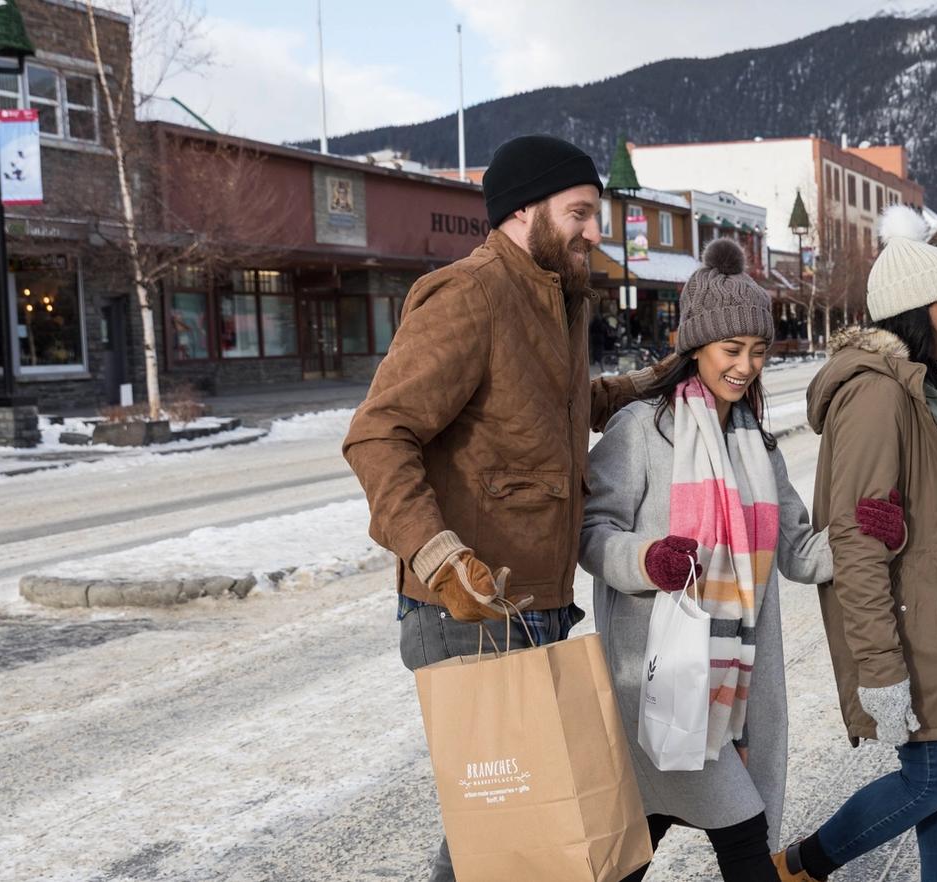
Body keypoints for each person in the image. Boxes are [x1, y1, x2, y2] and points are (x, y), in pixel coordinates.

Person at [342, 133, 671, 882]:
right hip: (466, 611)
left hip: (535, 605)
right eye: (581, 212)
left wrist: (646, 383)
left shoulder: (558, 295)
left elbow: (553, 407)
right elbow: (377, 435)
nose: (596, 231)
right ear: (525, 210)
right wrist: (441, 557)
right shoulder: (472, 295)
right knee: (507, 838)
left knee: (528, 835)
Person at [581, 238, 850, 881]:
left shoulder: (757, 443)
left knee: (638, 838)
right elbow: (591, 533)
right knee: (743, 832)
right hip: (658, 679)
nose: (747, 366)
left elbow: (799, 551)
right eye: (733, 351)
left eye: (759, 351)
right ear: (695, 346)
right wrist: (648, 560)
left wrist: (864, 537)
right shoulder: (642, 428)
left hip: (729, 684)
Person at [775, 206, 937, 882]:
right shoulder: (875, 398)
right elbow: (856, 544)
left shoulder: (923, 385)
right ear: (918, 311)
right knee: (935, 777)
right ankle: (800, 867)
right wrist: (879, 670)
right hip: (913, 624)